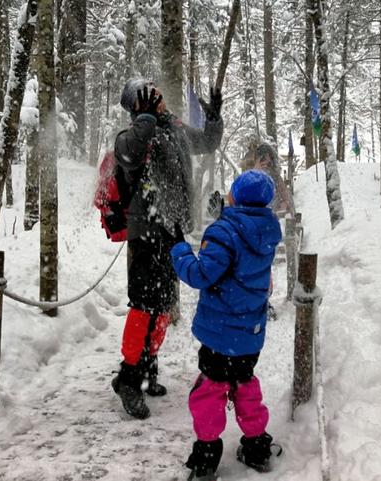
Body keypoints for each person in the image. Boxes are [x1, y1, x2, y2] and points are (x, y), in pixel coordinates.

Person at [110, 78, 223, 419]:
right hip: (146, 231)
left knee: (163, 306)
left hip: (172, 230)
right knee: (145, 306)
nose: (158, 96)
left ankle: (146, 369)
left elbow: (206, 142)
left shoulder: (173, 128)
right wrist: (144, 118)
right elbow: (130, 155)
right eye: (149, 95)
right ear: (136, 106)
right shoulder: (131, 136)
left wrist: (214, 118)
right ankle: (129, 379)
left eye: (157, 92)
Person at [170, 170, 283, 479]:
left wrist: (179, 249)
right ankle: (257, 447)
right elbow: (242, 258)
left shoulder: (224, 232)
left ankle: (206, 456)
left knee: (210, 391)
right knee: (246, 386)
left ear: (235, 195)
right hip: (249, 335)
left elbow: (199, 274)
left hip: (220, 335)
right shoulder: (267, 231)